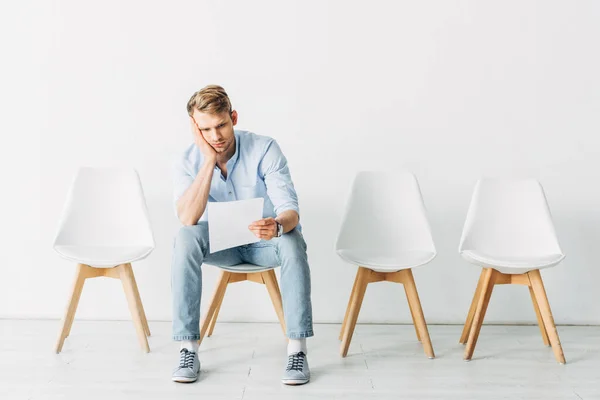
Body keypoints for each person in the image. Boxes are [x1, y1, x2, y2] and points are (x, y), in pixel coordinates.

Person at [171, 85, 313, 385]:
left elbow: (291, 210)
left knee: (292, 239)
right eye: (206, 129)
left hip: (263, 243)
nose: (216, 136)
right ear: (196, 129)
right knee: (185, 238)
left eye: (221, 125)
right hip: (221, 245)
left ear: (233, 117)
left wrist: (276, 225)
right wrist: (208, 160)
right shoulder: (188, 159)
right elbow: (187, 218)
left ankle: (297, 351)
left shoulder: (264, 148)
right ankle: (188, 349)